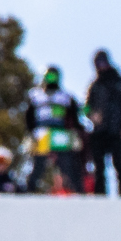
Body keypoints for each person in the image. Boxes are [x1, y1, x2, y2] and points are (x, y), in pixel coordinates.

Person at [26, 66, 88, 194]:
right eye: (49, 77)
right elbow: (29, 116)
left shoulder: (65, 96)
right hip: (41, 133)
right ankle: (29, 191)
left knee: (67, 165)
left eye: (54, 77)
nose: (51, 80)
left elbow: (75, 115)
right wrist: (31, 133)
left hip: (60, 133)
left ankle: (80, 192)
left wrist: (77, 132)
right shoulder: (35, 95)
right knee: (38, 165)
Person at [85, 51, 121, 196]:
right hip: (99, 131)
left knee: (119, 164)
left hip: (117, 131)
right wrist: (92, 115)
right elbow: (86, 107)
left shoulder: (120, 82)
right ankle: (100, 195)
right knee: (98, 166)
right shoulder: (94, 85)